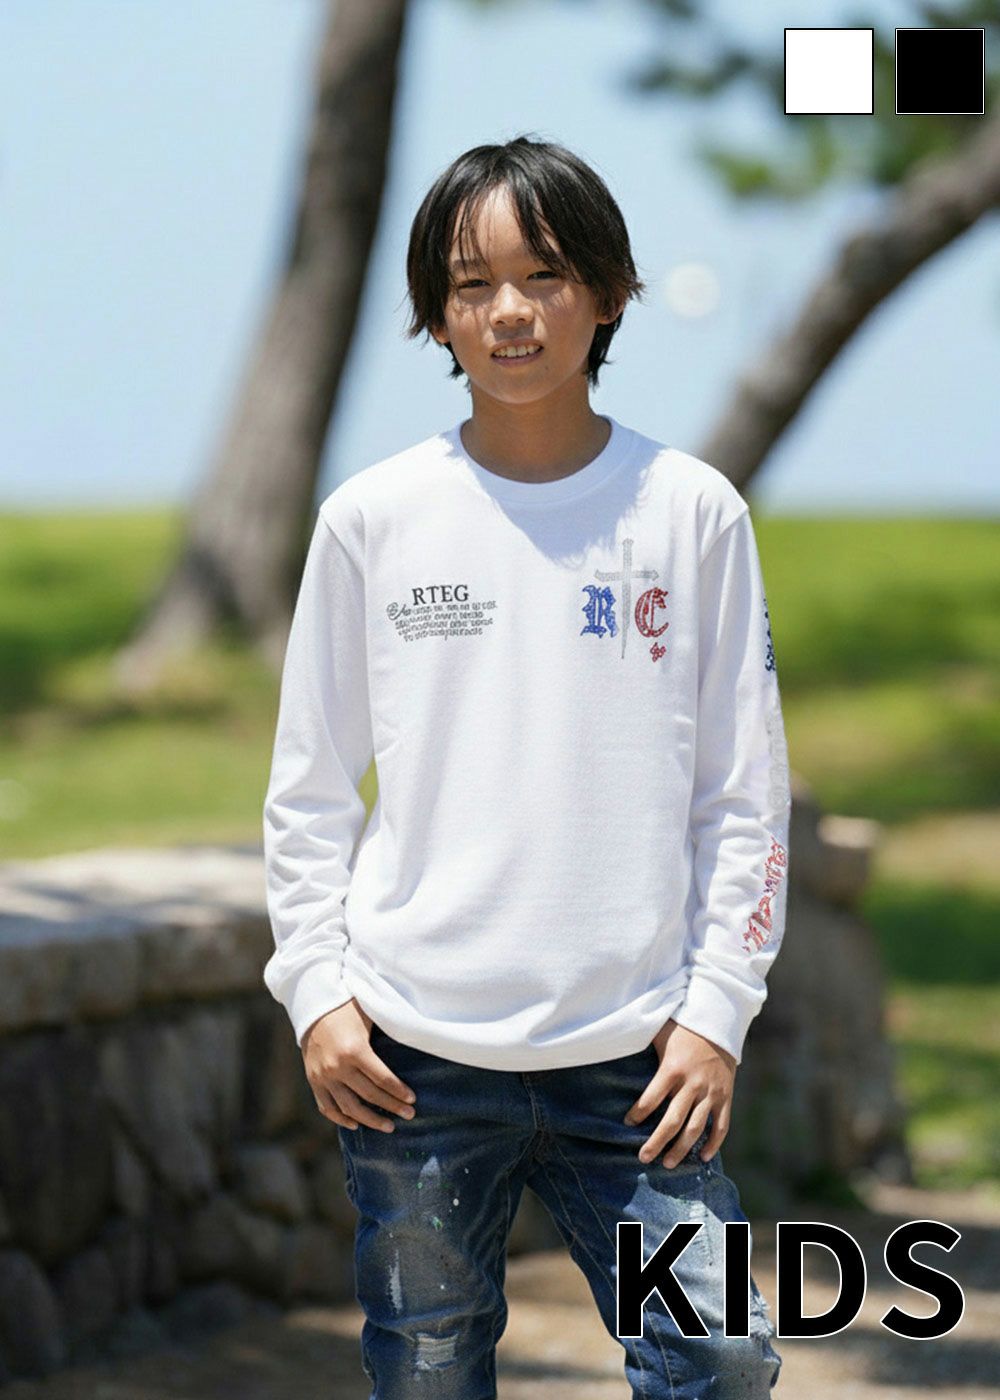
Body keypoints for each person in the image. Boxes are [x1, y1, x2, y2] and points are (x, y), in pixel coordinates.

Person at [262, 133, 790, 1398]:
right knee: (428, 1370)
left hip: (641, 1062)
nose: (508, 310)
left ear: (607, 293)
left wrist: (716, 1011)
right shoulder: (374, 519)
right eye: (470, 283)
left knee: (718, 1359)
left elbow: (744, 794)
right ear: (435, 315)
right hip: (415, 1061)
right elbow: (309, 792)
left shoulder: (691, 511)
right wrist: (319, 995)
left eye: (543, 275)